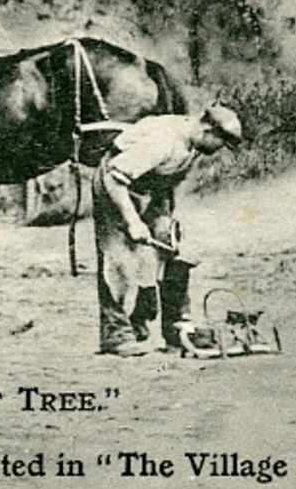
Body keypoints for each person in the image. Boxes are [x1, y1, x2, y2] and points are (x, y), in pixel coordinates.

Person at [92, 103, 242, 357]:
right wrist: (133, 221)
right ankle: (115, 334)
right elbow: (114, 177)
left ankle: (176, 328)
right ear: (207, 129)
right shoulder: (164, 140)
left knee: (175, 249)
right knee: (118, 259)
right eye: (220, 143)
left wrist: (165, 221)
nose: (218, 151)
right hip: (116, 185)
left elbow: (168, 183)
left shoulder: (193, 142)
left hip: (151, 189)